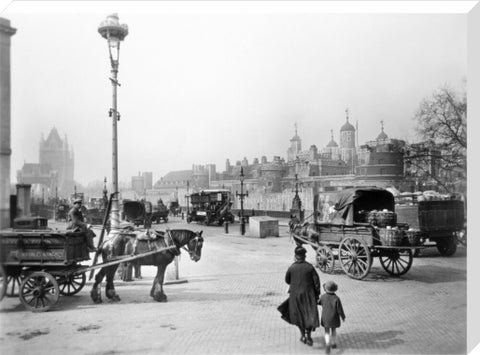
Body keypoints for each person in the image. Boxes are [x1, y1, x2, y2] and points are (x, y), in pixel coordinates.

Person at [283, 246, 321, 346]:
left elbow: (287, 280)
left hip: (295, 296)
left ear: (296, 256)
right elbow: (316, 282)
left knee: (298, 316)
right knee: (308, 315)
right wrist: (316, 295)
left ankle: (302, 335)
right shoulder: (310, 267)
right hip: (309, 296)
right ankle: (308, 336)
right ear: (304, 256)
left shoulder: (292, 267)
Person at [318, 280, 346, 354]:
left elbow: (319, 302)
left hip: (325, 317)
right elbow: (340, 309)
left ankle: (327, 343)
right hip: (334, 318)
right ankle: (333, 343)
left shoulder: (323, 297)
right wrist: (343, 317)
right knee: (333, 330)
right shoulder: (336, 298)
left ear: (325, 289)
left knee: (326, 331)